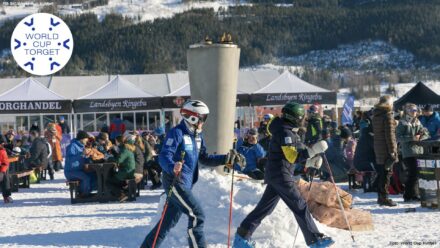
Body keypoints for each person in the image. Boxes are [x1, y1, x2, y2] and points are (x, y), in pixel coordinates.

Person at [141, 100, 244, 248]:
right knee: (197, 215)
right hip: (175, 182)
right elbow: (164, 156)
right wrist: (172, 166)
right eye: (203, 118)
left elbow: (204, 158)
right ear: (193, 118)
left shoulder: (196, 136)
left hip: (186, 184)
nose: (204, 122)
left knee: (166, 224)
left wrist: (226, 158)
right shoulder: (177, 133)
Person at [233, 101, 334, 248]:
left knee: (264, 208)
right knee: (299, 205)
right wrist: (312, 151)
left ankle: (242, 237)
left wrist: (309, 162)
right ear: (294, 117)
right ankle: (315, 240)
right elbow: (291, 156)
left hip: (278, 173)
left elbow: (290, 156)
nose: (303, 119)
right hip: (281, 174)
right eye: (301, 117)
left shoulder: (286, 130)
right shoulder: (285, 132)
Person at [397, 103, 430, 202]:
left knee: (417, 174)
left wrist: (420, 137)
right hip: (408, 152)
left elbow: (427, 134)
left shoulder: (418, 122)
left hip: (418, 151)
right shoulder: (402, 122)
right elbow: (398, 137)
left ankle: (413, 194)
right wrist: (412, 138)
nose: (414, 112)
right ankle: (408, 195)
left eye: (415, 110)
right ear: (406, 111)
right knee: (413, 173)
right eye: (412, 110)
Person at [372, 95, 398, 207]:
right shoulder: (387, 116)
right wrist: (392, 151)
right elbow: (389, 135)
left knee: (383, 173)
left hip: (379, 147)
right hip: (386, 149)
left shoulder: (377, 115)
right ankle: (384, 198)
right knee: (386, 174)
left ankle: (381, 196)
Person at [64, 131, 96, 196]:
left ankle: (86, 190)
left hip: (79, 170)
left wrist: (90, 157)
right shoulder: (72, 146)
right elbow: (70, 160)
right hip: (71, 171)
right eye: (86, 138)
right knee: (86, 178)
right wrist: (82, 154)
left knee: (93, 175)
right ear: (81, 139)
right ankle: (84, 194)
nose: (87, 140)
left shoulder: (82, 146)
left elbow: (83, 158)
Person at [107, 134, 136, 202]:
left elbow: (118, 160)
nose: (115, 143)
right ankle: (122, 193)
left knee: (108, 182)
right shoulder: (127, 148)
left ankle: (121, 195)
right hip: (128, 170)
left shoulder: (125, 149)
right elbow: (121, 158)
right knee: (113, 178)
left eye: (116, 141)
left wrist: (109, 158)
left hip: (126, 172)